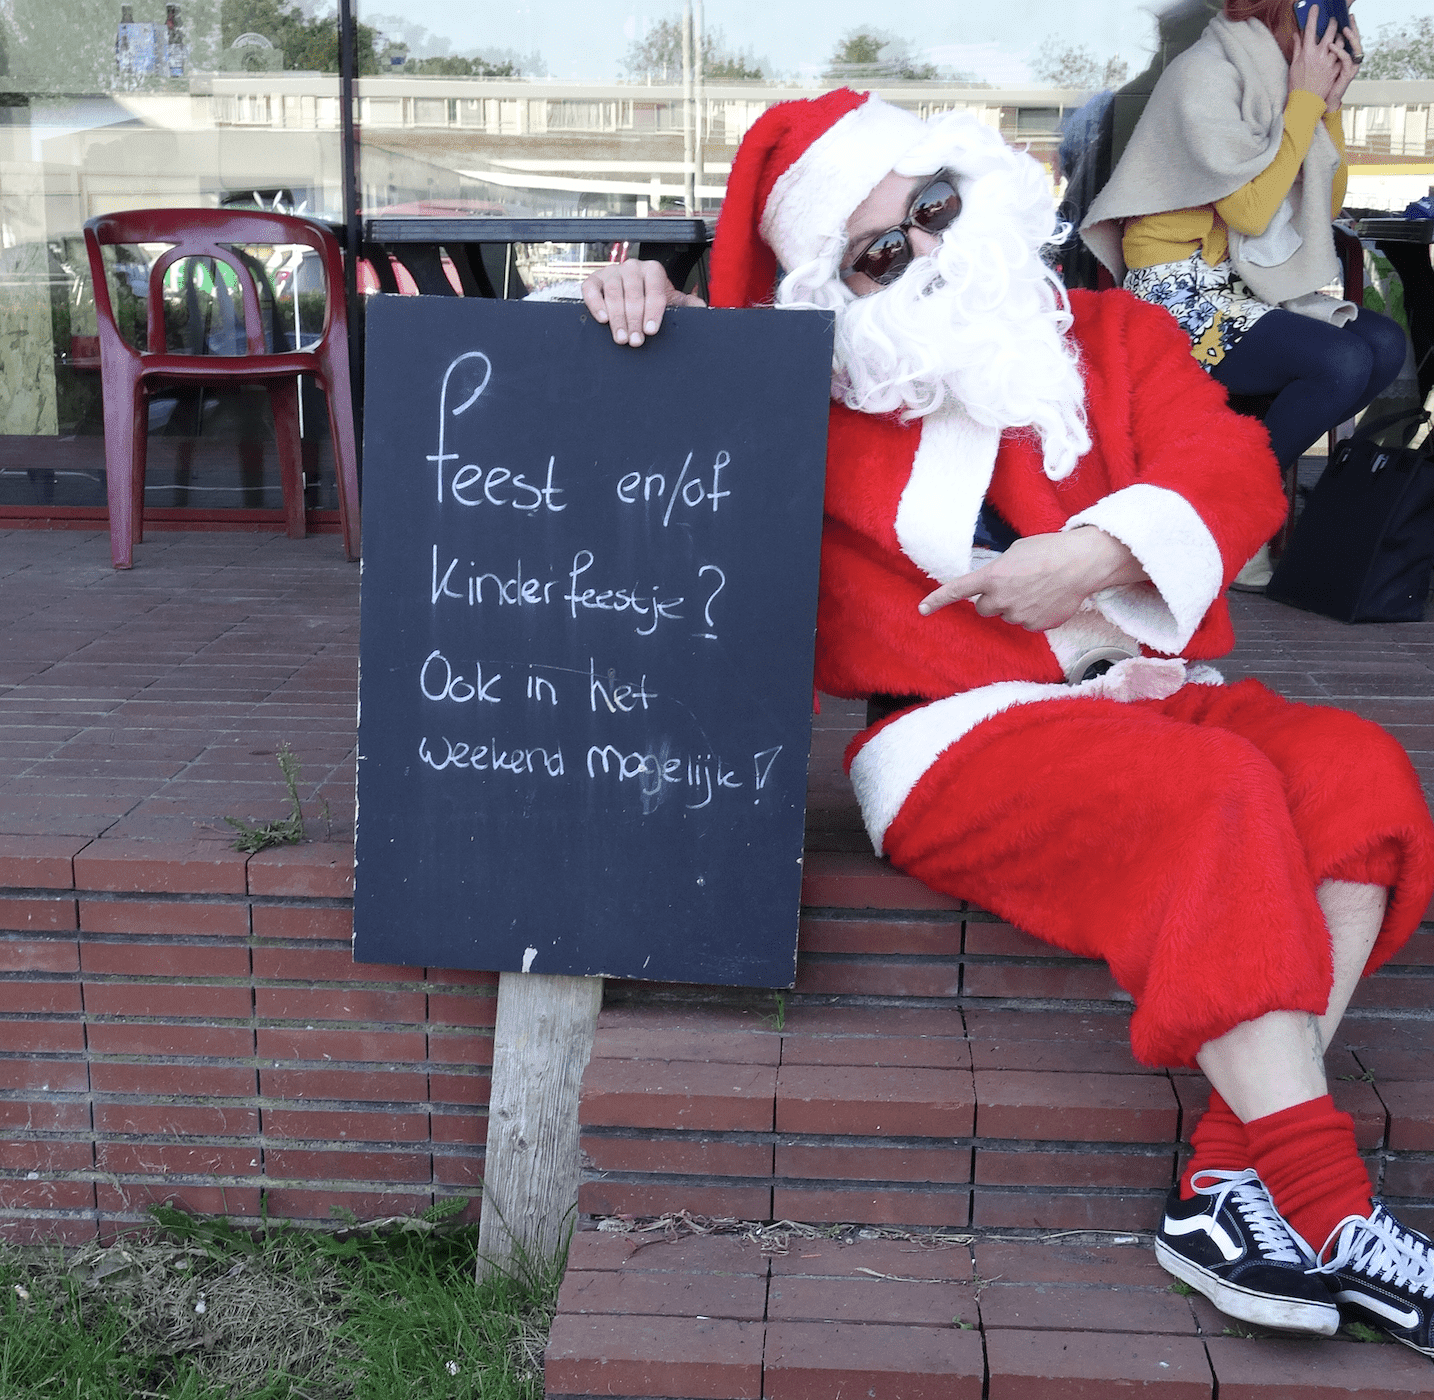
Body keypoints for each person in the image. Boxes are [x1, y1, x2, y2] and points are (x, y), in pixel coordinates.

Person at [579, 88, 1434, 1358]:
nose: (923, 252)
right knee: (1218, 797)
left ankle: (1226, 1187)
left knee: (1359, 778)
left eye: (931, 209)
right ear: (837, 285)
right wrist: (621, 317)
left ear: (976, 184)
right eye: (876, 252)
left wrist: (1093, 554)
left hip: (1148, 690)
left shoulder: (1114, 332)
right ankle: (1333, 1206)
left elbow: (1236, 472)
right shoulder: (799, 387)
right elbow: (639, 421)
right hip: (949, 733)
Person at [1081, 0, 1406, 589]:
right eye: (1325, 20)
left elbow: (1322, 206)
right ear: (1287, 15)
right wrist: (1304, 102)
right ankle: (1225, 520)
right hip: (1170, 291)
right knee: (1341, 360)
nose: (1334, 36)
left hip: (1235, 285)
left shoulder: (1278, 81)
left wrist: (1326, 108)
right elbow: (1252, 212)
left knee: (1382, 342)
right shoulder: (1205, 72)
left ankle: (1227, 509)